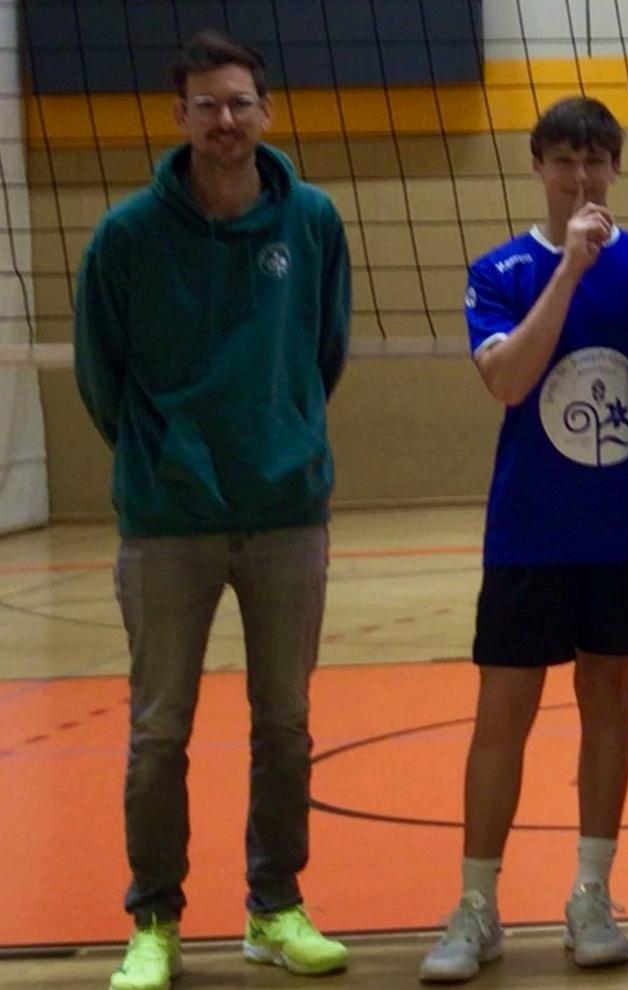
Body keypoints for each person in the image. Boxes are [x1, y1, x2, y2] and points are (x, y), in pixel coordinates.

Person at [74, 30, 352, 990]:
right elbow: (99, 380)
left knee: (285, 723)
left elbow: (326, 351)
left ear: (264, 111)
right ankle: (155, 920)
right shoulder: (125, 237)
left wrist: (283, 441)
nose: (225, 120)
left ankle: (274, 909)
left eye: (240, 103)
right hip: (168, 520)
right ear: (180, 115)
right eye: (206, 105)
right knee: (159, 732)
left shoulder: (311, 220)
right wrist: (169, 460)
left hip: (285, 512)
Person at [417, 97, 628, 982]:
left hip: (624, 535)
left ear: (614, 167)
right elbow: (508, 380)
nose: (580, 176)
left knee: (609, 710)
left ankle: (591, 893)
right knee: (503, 722)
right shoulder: (503, 270)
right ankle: (477, 904)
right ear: (538, 166)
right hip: (529, 533)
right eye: (564, 160)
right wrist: (568, 271)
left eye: (595, 160)